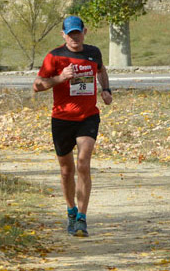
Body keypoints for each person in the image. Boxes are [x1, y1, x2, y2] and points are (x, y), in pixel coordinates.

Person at [33, 15, 112, 238]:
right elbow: (37, 85)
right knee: (67, 170)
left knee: (83, 164)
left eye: (77, 33)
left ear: (84, 32)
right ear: (63, 35)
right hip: (61, 119)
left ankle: (82, 219)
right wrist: (60, 78)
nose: (74, 38)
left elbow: (101, 70)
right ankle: (70, 210)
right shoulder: (55, 56)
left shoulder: (93, 52)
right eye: (70, 34)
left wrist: (106, 90)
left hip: (88, 117)